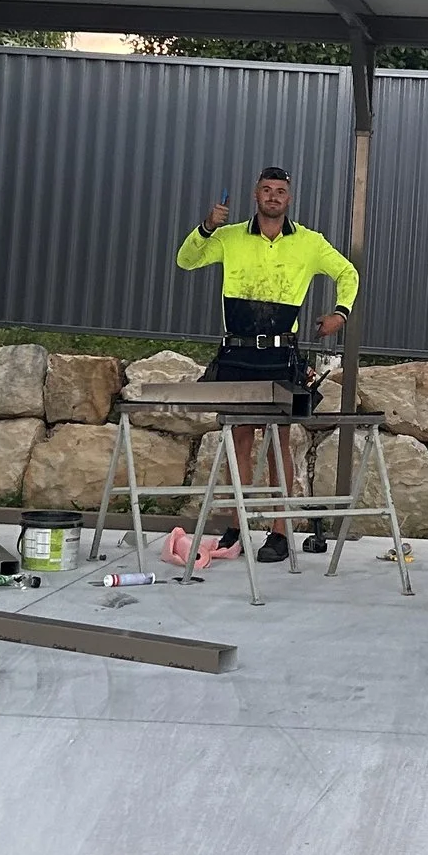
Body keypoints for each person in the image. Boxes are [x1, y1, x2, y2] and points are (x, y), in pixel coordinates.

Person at [176, 166, 356, 562]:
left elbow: (348, 272)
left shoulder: (309, 242)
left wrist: (340, 313)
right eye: (266, 189)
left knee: (278, 442)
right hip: (237, 352)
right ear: (255, 194)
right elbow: (186, 260)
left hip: (279, 354)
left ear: (288, 198)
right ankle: (237, 527)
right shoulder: (228, 236)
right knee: (238, 438)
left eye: (280, 191)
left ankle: (279, 531)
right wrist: (207, 227)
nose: (273, 196)